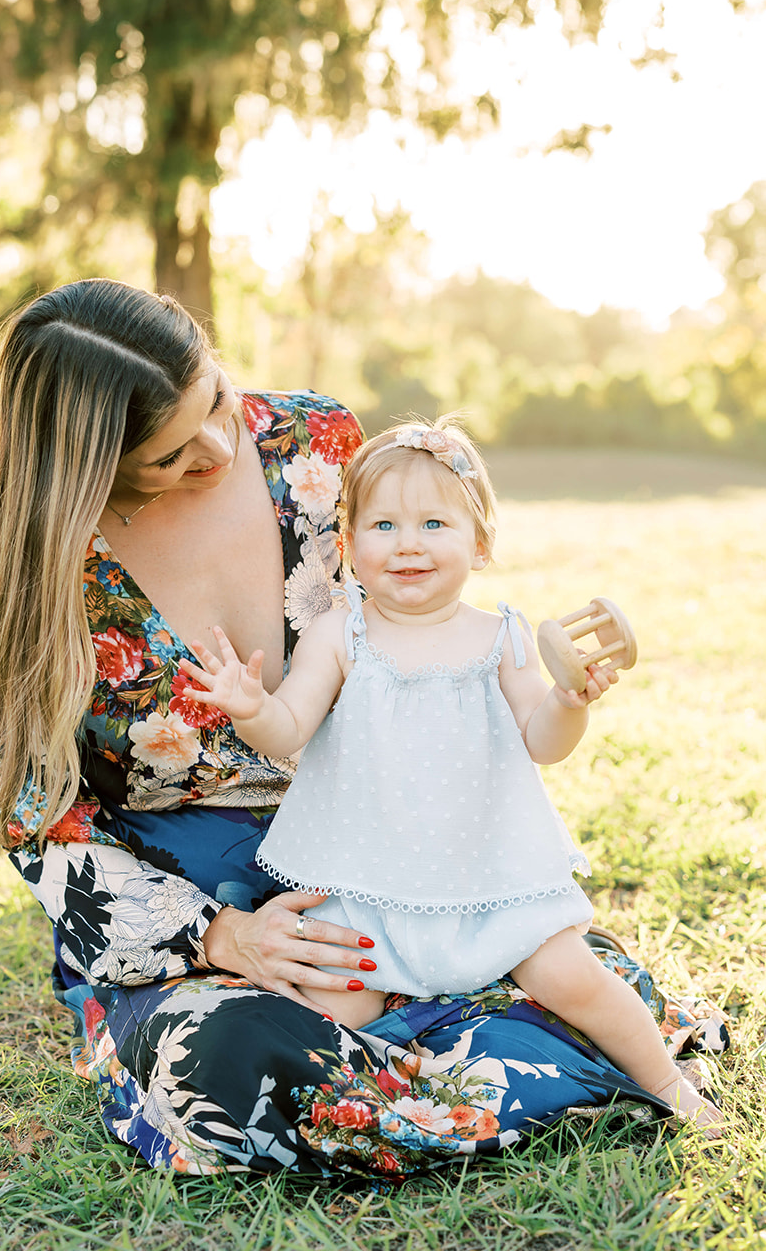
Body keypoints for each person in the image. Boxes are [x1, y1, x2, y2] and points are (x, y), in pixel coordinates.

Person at [0, 278, 726, 1180]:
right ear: (84, 465)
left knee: (566, 971)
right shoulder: (25, 556)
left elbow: (422, 614)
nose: (213, 447)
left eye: (214, 399)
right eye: (165, 456)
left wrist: (547, 692)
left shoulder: (313, 442)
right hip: (191, 895)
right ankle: (441, 1040)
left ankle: (464, 1022)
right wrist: (221, 939)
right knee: (223, 1061)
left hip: (379, 846)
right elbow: (34, 811)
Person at [184, 420, 722, 1134]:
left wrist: (567, 702)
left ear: (480, 542)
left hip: (488, 878)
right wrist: (252, 708)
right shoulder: (339, 633)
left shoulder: (500, 634)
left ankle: (666, 1082)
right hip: (368, 883)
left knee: (571, 979)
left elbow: (542, 742)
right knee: (325, 1010)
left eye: (434, 522)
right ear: (348, 548)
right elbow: (289, 729)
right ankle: (378, 1104)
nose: (407, 543)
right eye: (382, 524)